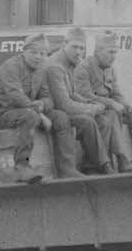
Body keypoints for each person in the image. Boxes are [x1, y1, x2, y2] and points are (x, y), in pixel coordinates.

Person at [0, 33, 83, 181]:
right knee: (30, 116)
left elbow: (48, 98)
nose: (38, 57)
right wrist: (40, 114)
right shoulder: (11, 66)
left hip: (25, 110)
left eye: (42, 53)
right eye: (34, 52)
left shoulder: (41, 69)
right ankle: (22, 166)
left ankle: (67, 169)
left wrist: (42, 104)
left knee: (60, 117)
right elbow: (15, 95)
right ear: (24, 52)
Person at [73, 32, 132, 167]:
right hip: (94, 111)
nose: (114, 56)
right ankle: (121, 157)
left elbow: (116, 93)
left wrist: (126, 106)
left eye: (115, 52)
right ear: (98, 52)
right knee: (112, 116)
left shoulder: (109, 69)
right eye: (110, 52)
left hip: (111, 111)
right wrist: (111, 103)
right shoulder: (83, 68)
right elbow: (85, 96)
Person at [44, 28, 113, 173]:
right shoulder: (55, 66)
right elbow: (64, 105)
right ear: (65, 44)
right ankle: (103, 165)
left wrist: (89, 103)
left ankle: (92, 166)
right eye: (74, 47)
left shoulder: (69, 63)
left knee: (103, 121)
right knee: (87, 122)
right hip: (51, 111)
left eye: (82, 48)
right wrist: (94, 109)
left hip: (59, 108)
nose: (78, 52)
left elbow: (72, 93)